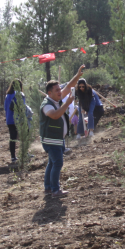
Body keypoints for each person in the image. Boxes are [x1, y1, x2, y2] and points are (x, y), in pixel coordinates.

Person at [39, 65, 85, 197]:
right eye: (57, 90)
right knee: (57, 163)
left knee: (52, 163)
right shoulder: (47, 104)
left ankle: (48, 188)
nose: (60, 92)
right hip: (51, 139)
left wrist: (77, 76)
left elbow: (69, 86)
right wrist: (67, 103)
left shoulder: (55, 99)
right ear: (50, 93)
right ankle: (55, 190)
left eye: (60, 89)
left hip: (57, 139)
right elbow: (54, 115)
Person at [5, 80, 28, 163]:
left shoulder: (7, 96)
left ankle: (13, 157)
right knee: (24, 135)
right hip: (18, 119)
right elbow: (22, 107)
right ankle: (25, 154)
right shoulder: (20, 94)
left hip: (9, 119)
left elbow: (5, 108)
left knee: (12, 138)